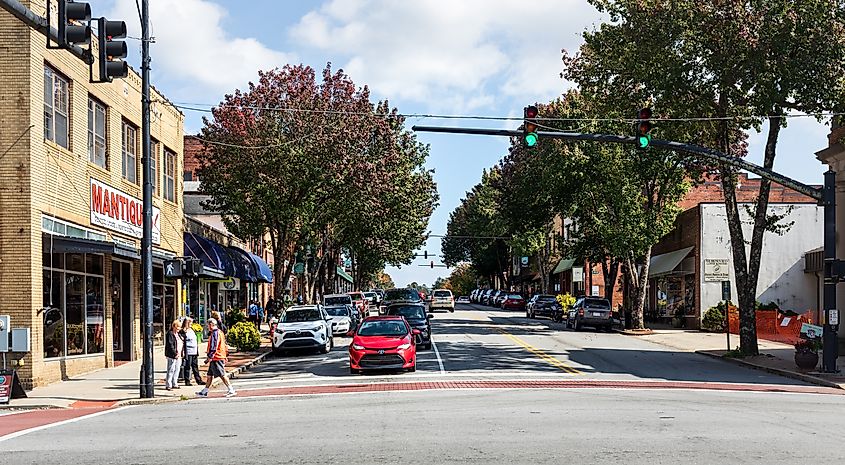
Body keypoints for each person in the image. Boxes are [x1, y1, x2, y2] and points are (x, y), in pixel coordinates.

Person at [196, 318, 236, 398]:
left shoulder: (215, 333)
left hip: (217, 357)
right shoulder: (219, 332)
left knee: (222, 374)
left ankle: (231, 389)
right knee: (209, 375)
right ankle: (205, 391)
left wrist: (210, 357)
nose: (207, 327)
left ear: (211, 325)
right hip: (218, 356)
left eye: (208, 325)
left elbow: (214, 346)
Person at [181, 317, 204, 386]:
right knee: (187, 366)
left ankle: (198, 380)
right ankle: (187, 381)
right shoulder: (183, 331)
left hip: (194, 350)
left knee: (195, 366)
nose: (191, 324)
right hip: (188, 351)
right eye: (190, 322)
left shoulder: (192, 330)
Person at [164, 320, 184, 391]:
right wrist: (174, 353)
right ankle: (168, 384)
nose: (179, 329)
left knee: (177, 369)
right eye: (178, 327)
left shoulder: (178, 334)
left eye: (180, 327)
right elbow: (170, 344)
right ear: (174, 326)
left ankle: (175, 383)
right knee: (171, 369)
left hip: (179, 355)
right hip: (172, 355)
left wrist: (181, 353)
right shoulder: (170, 334)